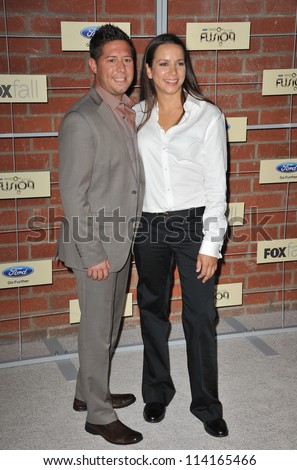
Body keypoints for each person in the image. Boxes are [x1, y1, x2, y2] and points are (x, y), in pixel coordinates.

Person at [133, 33, 228, 438]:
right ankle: (156, 391)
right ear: (150, 71)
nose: (173, 71)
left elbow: (217, 186)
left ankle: (206, 403)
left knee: (201, 315)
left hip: (194, 225)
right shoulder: (134, 116)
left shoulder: (208, 116)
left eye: (179, 63)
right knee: (153, 309)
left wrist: (212, 244)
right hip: (149, 225)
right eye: (164, 64)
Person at [57, 24, 144, 445]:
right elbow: (73, 196)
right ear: (92, 64)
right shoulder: (82, 118)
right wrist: (92, 253)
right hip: (95, 244)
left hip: (120, 239)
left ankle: (84, 393)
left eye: (127, 58)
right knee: (96, 330)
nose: (121, 66)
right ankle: (97, 414)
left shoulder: (127, 109)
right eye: (111, 59)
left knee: (108, 327)